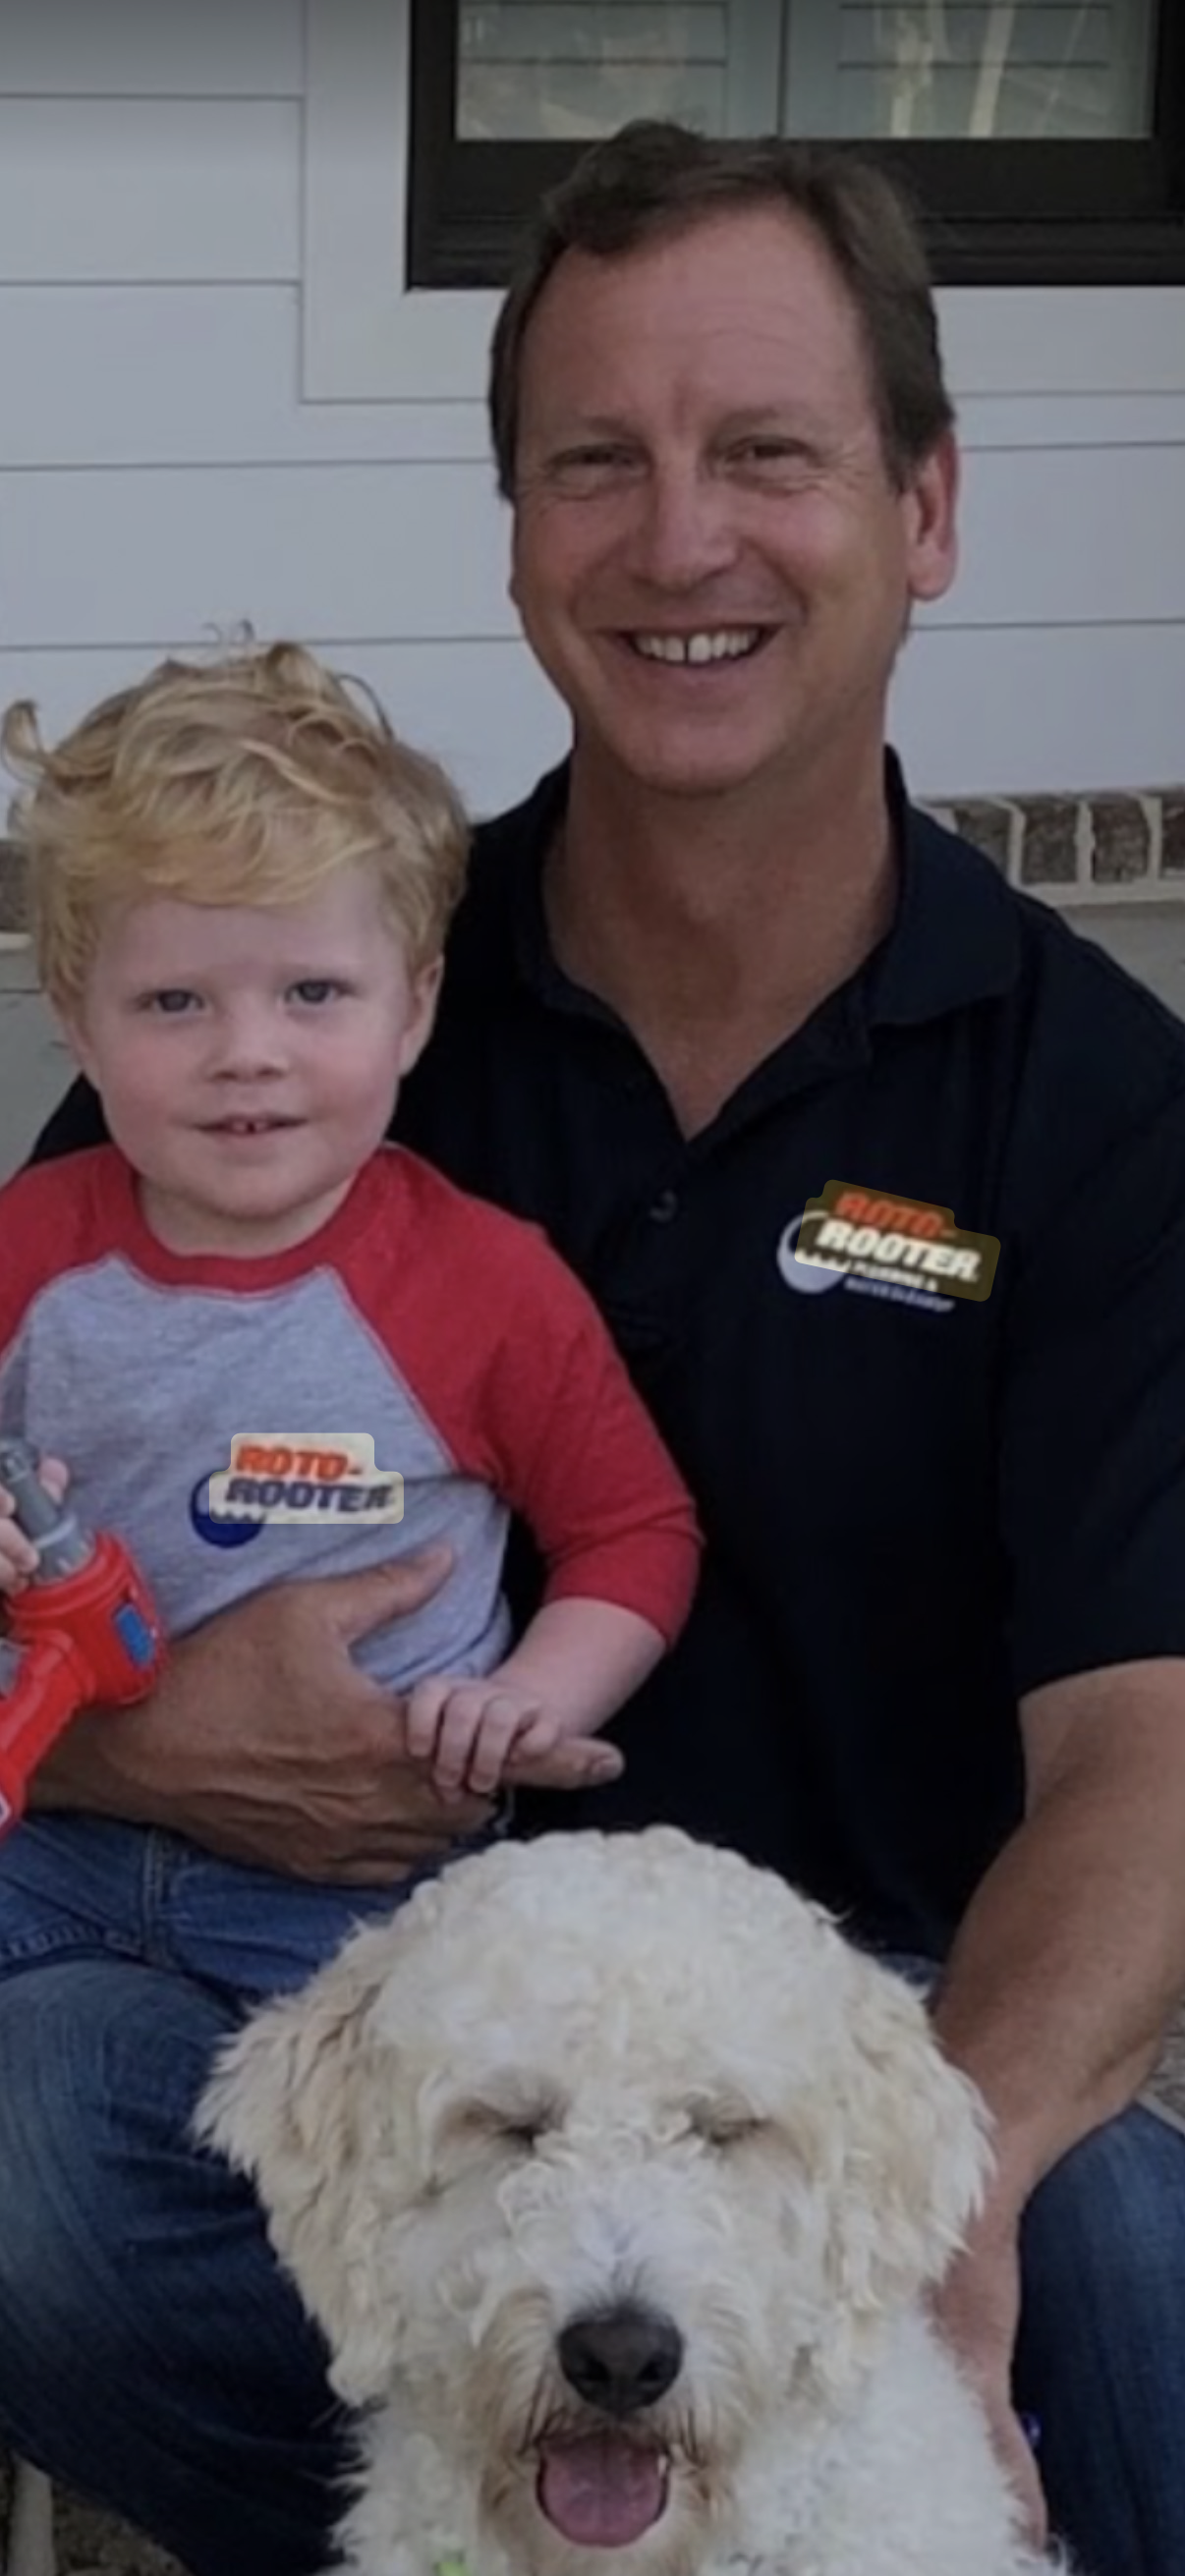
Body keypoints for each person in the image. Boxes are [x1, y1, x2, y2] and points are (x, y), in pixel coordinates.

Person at [3, 115, 1184, 2576]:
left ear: (928, 511)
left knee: (1125, 2277)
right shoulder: (306, 1004)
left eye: (766, 454)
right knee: (34, 2143)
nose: (679, 541)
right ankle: (480, 2508)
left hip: (865, 2021)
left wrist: (921, 2216)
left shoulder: (1085, 1096)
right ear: (519, 529)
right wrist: (142, 1734)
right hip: (369, 2010)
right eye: (594, 465)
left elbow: (1149, 1754)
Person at [0, 642, 700, 2010]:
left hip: (359, 1889)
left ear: (413, 1006)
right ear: (76, 1022)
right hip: (54, 1839)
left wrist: (533, 1699)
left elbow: (634, 1531)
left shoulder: (483, 1283)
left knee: (416, 2142)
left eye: (312, 993)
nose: (245, 1049)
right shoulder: (27, 1246)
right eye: (173, 1001)